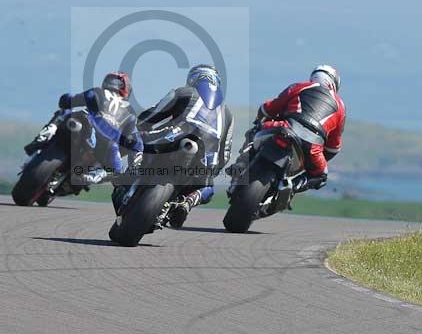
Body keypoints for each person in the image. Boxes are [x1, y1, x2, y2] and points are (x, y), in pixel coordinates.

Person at [127, 64, 233, 228]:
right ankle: (187, 203)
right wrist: (213, 171)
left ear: (193, 79)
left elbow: (154, 114)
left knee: (136, 138)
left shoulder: (183, 92)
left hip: (175, 136)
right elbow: (225, 153)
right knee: (208, 188)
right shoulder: (228, 114)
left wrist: (139, 124)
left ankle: (134, 169)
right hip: (206, 159)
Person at [232, 65, 345, 193]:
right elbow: (333, 147)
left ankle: (241, 165)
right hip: (312, 147)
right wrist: (315, 158)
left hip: (284, 129)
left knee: (255, 130)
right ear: (334, 84)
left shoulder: (301, 86)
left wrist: (262, 118)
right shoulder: (341, 106)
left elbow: (269, 108)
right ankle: (292, 186)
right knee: (321, 176)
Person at [25, 71, 143, 186]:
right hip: (105, 144)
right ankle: (95, 175)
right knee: (116, 169)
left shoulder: (98, 91)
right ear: (126, 89)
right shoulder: (130, 112)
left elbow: (68, 100)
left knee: (64, 112)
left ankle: (43, 136)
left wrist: (66, 100)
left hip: (82, 124)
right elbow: (130, 141)